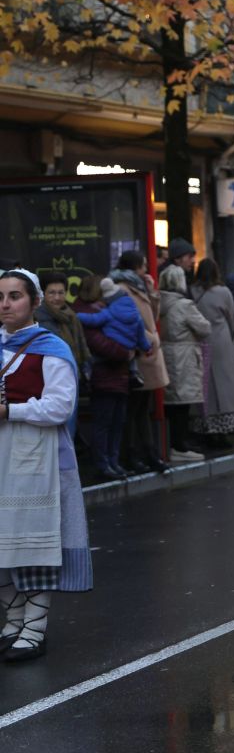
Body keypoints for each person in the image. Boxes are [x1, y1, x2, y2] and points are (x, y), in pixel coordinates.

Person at [0, 268, 93, 662]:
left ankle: (34, 628)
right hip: (4, 452)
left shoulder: (51, 347)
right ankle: (11, 620)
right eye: (1, 297)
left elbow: (60, 406)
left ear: (34, 302)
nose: (5, 304)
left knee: (34, 539)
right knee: (2, 540)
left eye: (15, 296)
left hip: (38, 454)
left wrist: (10, 409)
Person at [71, 273, 134, 480]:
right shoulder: (86, 314)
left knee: (117, 422)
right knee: (104, 423)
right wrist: (127, 352)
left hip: (117, 375)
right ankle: (103, 464)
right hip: (103, 376)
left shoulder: (102, 311)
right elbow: (102, 344)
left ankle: (112, 462)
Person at [112, 251, 169, 473]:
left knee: (142, 407)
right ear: (136, 266)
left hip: (147, 352)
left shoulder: (137, 286)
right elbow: (129, 321)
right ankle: (134, 455)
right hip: (139, 353)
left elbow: (153, 316)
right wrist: (149, 340)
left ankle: (148, 453)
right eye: (144, 266)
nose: (146, 270)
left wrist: (152, 291)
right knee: (134, 408)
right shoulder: (122, 289)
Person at [193, 259, 234, 449]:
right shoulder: (223, 292)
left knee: (205, 388)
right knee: (226, 388)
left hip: (199, 342)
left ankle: (204, 428)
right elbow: (232, 316)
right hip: (221, 341)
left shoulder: (193, 291)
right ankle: (224, 430)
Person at [158, 265, 211, 462]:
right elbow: (204, 328)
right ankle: (179, 446)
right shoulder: (184, 305)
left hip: (164, 352)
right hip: (184, 355)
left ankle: (170, 443)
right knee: (183, 402)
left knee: (170, 402)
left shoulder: (158, 302)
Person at [34, 272, 91, 445]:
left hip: (71, 382)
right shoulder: (37, 319)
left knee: (68, 436)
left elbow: (80, 348)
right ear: (43, 294)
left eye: (61, 292)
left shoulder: (71, 317)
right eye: (52, 293)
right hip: (46, 385)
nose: (57, 298)